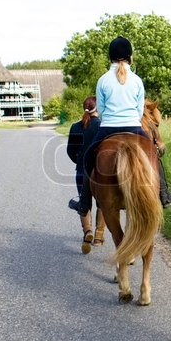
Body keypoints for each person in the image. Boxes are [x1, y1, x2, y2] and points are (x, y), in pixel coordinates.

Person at [68, 35, 171, 215]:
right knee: (154, 156)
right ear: (130, 57)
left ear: (110, 56)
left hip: (107, 129)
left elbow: (101, 110)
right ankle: (164, 195)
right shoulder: (136, 80)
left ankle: (84, 202)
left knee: (89, 157)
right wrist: (130, 120)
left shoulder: (103, 80)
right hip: (133, 127)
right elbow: (138, 109)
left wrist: (112, 119)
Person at [67, 96, 103, 253]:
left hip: (82, 170)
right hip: (100, 172)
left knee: (84, 201)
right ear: (98, 108)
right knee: (102, 203)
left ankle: (87, 231)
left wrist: (79, 162)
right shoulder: (102, 126)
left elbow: (70, 151)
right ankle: (99, 236)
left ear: (84, 108)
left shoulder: (75, 127)